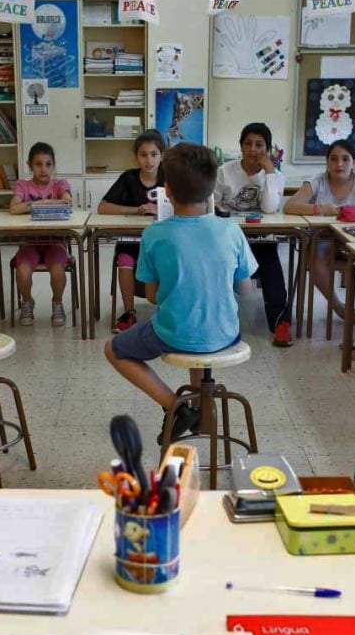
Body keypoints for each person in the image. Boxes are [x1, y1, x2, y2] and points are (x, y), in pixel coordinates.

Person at [104, 143, 257, 444]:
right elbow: (245, 289)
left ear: (167, 190)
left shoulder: (154, 234)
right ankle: (202, 416)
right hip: (225, 333)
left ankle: (174, 404)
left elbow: (151, 297)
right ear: (213, 188)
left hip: (174, 333)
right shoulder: (231, 231)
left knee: (114, 349)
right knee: (198, 345)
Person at [283, 139, 355, 323]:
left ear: (354, 163)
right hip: (325, 241)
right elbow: (290, 206)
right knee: (314, 258)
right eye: (334, 159)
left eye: (345, 159)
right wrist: (319, 208)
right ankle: (338, 306)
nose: (339, 164)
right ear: (327, 162)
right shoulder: (317, 181)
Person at [214, 122, 292, 347]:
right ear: (241, 147)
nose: (253, 150)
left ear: (267, 150)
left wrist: (268, 172)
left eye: (259, 145)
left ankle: (280, 323)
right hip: (227, 237)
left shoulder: (274, 175)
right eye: (247, 144)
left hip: (260, 238)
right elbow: (214, 204)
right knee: (217, 266)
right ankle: (218, 322)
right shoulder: (224, 171)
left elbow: (269, 208)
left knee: (271, 265)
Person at [97, 129, 166, 334]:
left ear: (162, 155)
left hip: (162, 241)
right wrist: (136, 209)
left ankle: (167, 312)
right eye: (143, 155)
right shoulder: (128, 178)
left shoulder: (170, 176)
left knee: (171, 261)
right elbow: (103, 207)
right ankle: (129, 312)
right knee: (124, 261)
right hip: (132, 239)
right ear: (136, 157)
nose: (149, 160)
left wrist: (158, 208)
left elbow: (183, 206)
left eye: (154, 154)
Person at [9, 142, 74, 327]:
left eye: (48, 164)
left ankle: (57, 303)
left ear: (53, 165)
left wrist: (34, 205)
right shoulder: (23, 185)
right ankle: (27, 302)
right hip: (30, 242)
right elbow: (14, 208)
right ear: (30, 165)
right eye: (38, 164)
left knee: (57, 270)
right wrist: (41, 204)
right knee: (22, 271)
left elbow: (67, 203)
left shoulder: (60, 184)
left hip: (55, 242)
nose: (43, 169)